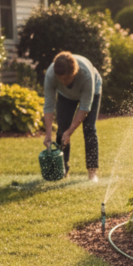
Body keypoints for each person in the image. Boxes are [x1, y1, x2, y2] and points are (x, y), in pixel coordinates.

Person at [42, 51, 101, 181]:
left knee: (89, 129)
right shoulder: (51, 75)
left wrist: (71, 131)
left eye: (67, 79)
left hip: (93, 91)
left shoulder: (86, 75)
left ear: (74, 73)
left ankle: (92, 172)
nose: (64, 82)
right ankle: (62, 170)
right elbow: (48, 106)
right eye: (60, 79)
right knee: (62, 129)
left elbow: (85, 107)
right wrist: (48, 134)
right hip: (65, 96)